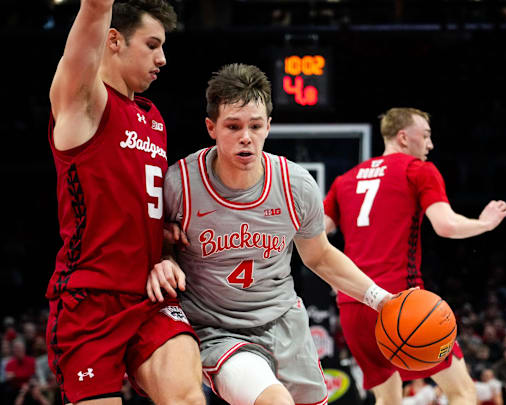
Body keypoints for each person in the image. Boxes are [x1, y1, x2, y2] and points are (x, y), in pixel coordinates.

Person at [147, 63, 394, 405]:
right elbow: (147, 243)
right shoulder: (179, 186)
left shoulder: (296, 185)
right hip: (217, 330)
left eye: (255, 126)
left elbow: (319, 256)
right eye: (233, 126)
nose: (246, 136)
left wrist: (381, 299)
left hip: (284, 323)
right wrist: (163, 255)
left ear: (268, 127)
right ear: (211, 128)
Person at [46, 1, 203, 404]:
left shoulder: (153, 117)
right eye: (152, 45)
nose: (162, 58)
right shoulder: (83, 102)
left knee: (187, 396)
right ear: (113, 40)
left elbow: (142, 208)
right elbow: (97, 8)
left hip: (149, 298)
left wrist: (166, 246)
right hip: (90, 303)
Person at [324, 107, 506, 405]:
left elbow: (314, 235)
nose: (430, 144)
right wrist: (485, 224)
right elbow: (446, 226)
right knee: (462, 391)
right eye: (425, 136)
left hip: (353, 304)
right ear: (403, 137)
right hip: (401, 302)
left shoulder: (344, 180)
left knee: (388, 400)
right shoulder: (418, 170)